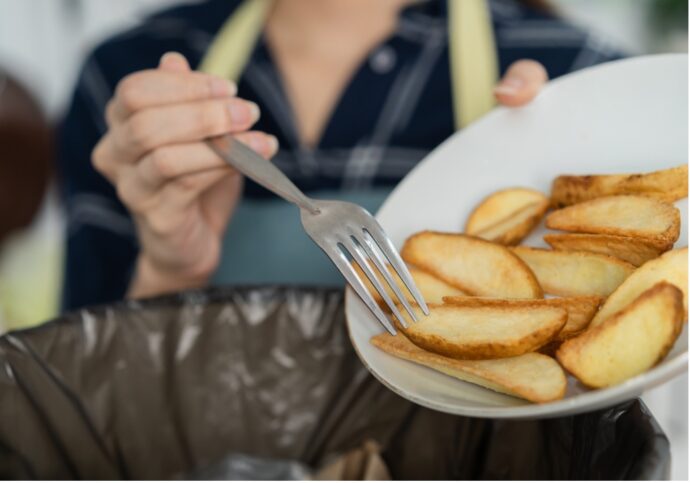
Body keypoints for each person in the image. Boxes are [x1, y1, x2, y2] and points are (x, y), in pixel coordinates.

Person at [58, 0, 622, 310]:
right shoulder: (130, 79)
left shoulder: (580, 71)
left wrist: (551, 230)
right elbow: (74, 421)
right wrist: (169, 271)